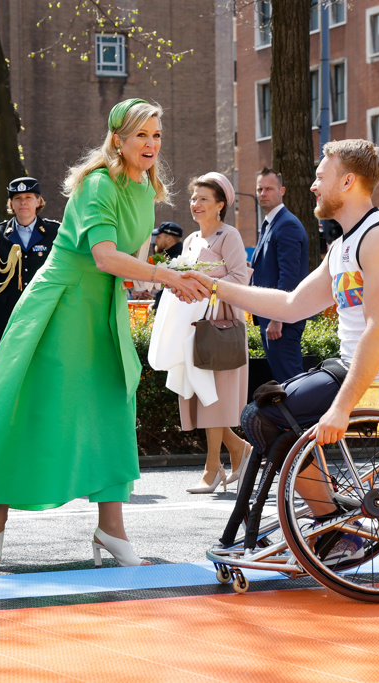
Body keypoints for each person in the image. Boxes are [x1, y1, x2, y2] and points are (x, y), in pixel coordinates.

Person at [0, 99, 203, 568]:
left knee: (111, 406)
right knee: (29, 407)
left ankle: (111, 529)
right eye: (142, 134)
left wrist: (180, 278)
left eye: (157, 135)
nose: (151, 144)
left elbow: (126, 266)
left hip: (101, 306)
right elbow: (103, 256)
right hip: (59, 305)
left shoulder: (146, 187)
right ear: (117, 139)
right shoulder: (96, 183)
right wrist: (168, 278)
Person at [188, 139, 379, 543]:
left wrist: (340, 409)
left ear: (349, 181)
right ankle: (330, 515)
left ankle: (337, 528)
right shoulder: (341, 245)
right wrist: (216, 287)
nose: (313, 186)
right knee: (261, 413)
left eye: (321, 177)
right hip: (356, 366)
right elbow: (289, 304)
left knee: (264, 418)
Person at [167, 173, 254, 494]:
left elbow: (240, 279)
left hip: (220, 324)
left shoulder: (228, 236)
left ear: (221, 205)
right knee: (200, 394)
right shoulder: (190, 240)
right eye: (194, 198)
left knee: (212, 397)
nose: (196, 204)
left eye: (203, 198)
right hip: (193, 325)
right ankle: (240, 451)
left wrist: (206, 284)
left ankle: (212, 467)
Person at [0, 177, 61, 354]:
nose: (23, 203)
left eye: (28, 197)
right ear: (11, 204)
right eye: (17, 198)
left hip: (44, 316)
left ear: (38, 201)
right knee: (6, 376)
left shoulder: (54, 232)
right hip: (6, 318)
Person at [250, 168, 310, 383]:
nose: (263, 193)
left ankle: (305, 417)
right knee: (285, 380)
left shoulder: (287, 225)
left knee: (292, 380)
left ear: (282, 191)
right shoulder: (270, 224)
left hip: (281, 321)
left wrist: (277, 318)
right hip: (272, 317)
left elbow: (290, 277)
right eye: (259, 189)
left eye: (269, 188)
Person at [149, 221, 184, 310]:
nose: (155, 240)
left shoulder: (178, 260)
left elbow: (170, 291)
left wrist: (157, 306)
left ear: (169, 239)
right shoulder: (169, 257)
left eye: (159, 237)